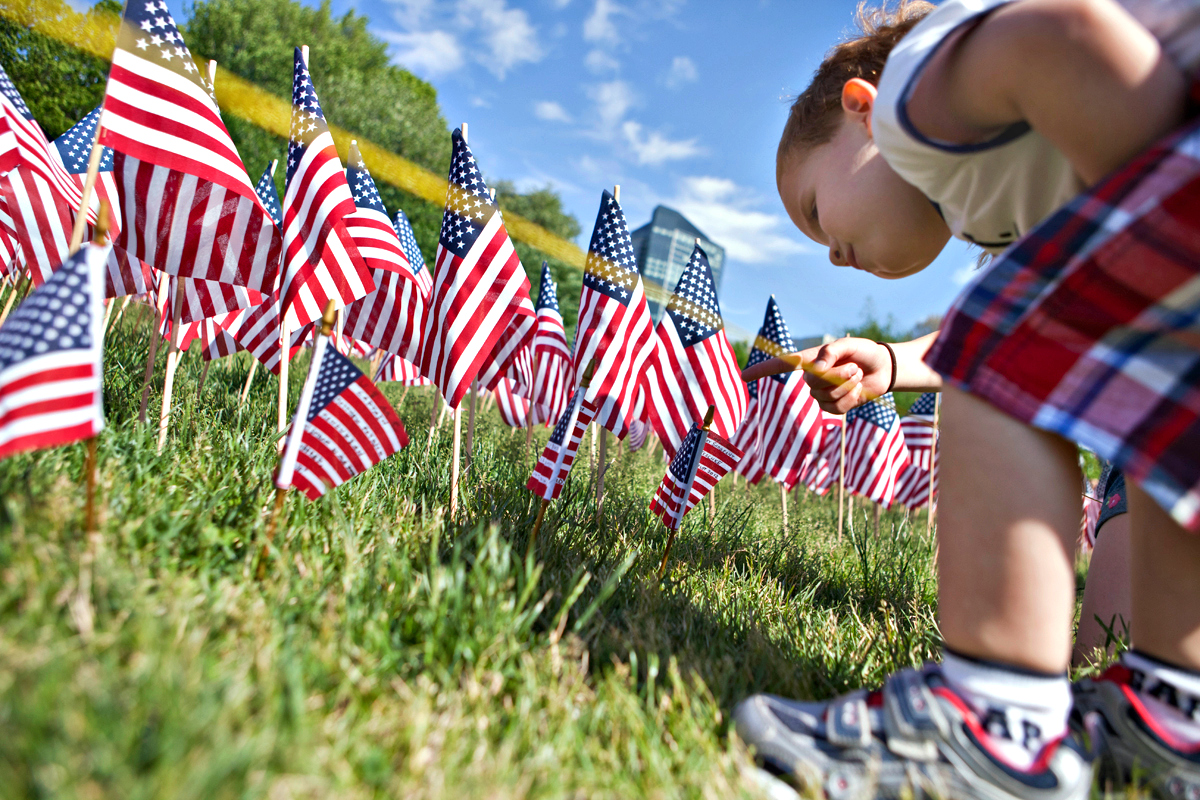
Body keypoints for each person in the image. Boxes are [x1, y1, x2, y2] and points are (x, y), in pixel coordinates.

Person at [734, 1, 1200, 798]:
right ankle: (1176, 713)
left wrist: (1145, 201)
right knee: (1150, 425)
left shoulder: (921, 91)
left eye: (817, 213)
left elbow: (1067, 35)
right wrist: (888, 359)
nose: (836, 256)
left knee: (1002, 364)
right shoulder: (1010, 212)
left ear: (863, 112)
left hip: (1170, 160)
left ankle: (996, 718)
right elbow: (986, 332)